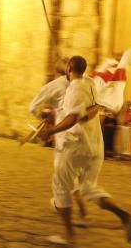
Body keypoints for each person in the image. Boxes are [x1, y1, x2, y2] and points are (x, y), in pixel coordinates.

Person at [38, 56, 131, 246]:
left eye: (64, 66)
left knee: (60, 187)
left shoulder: (74, 90)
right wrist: (76, 114)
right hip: (95, 146)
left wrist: (50, 130)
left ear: (69, 68)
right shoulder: (90, 83)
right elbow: (92, 108)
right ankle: (126, 216)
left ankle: (69, 237)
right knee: (88, 188)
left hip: (77, 145)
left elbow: (72, 119)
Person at [29, 57, 88, 224]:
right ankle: (81, 213)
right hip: (83, 137)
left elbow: (33, 107)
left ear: (68, 67)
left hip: (65, 139)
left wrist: (44, 118)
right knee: (71, 176)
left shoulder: (57, 85)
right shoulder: (85, 84)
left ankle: (69, 233)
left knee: (61, 181)